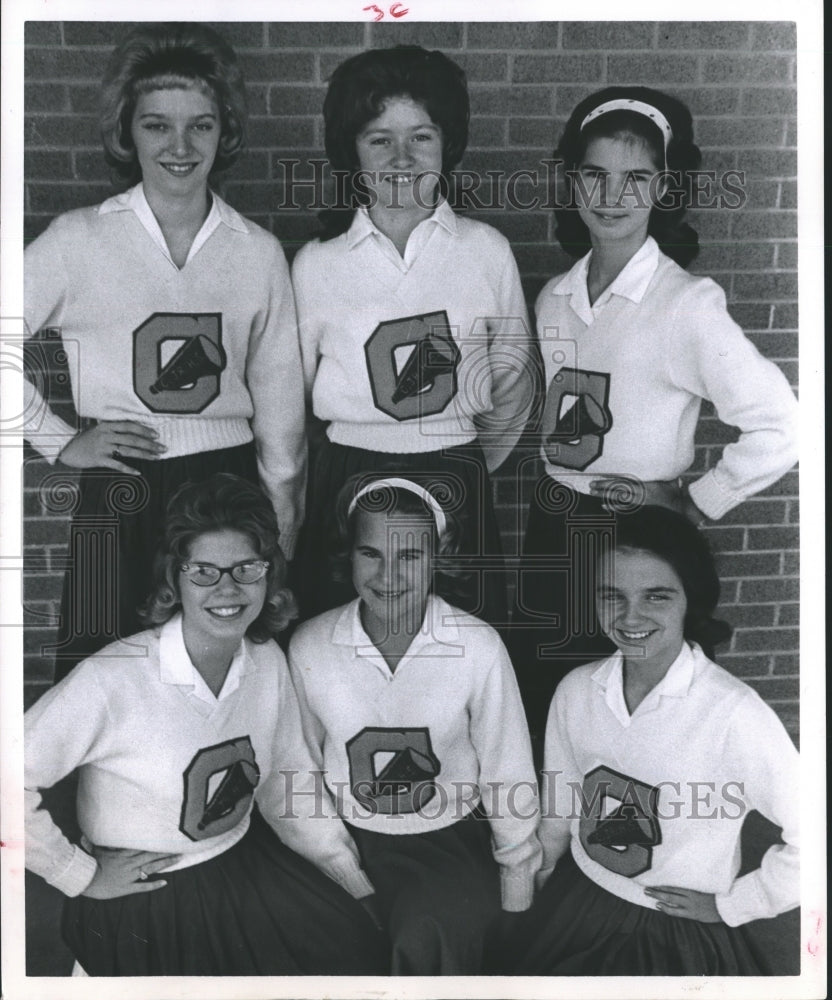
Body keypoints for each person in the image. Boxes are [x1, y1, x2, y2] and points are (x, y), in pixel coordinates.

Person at [510, 85, 799, 742]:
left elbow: (782, 423)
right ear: (572, 181)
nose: (613, 197)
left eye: (636, 178)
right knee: (552, 695)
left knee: (632, 699)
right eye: (596, 175)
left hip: (636, 533)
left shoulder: (685, 303)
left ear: (664, 188)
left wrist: (698, 501)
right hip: (555, 526)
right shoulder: (555, 296)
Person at [24, 23, 306, 679]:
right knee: (103, 668)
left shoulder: (257, 251)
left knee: (222, 671)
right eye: (157, 126)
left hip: (227, 484)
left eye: (200, 126)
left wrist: (279, 529)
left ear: (223, 130)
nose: (180, 147)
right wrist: (59, 440)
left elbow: (282, 411)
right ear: (128, 131)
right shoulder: (78, 241)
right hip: (121, 487)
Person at [24, 473, 386, 976]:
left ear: (269, 577)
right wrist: (78, 873)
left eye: (246, 569)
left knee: (351, 948)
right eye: (204, 572)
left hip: (239, 862)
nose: (227, 589)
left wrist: (348, 879)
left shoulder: (265, 660)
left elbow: (286, 783)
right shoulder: (112, 677)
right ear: (175, 579)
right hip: (146, 895)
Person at [291, 45, 536, 628]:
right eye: (380, 139)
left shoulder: (485, 251)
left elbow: (513, 384)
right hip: (347, 474)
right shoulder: (316, 264)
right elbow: (293, 399)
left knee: (459, 645)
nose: (402, 157)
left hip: (455, 471)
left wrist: (464, 459)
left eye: (421, 137)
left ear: (446, 143)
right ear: (351, 149)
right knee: (342, 643)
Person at [505, 505, 799, 975]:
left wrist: (735, 905)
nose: (630, 615)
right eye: (611, 595)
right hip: (581, 896)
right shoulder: (577, 689)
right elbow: (559, 807)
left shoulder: (733, 713)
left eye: (656, 596)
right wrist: (536, 880)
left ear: (691, 599)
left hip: (673, 928)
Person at [288, 476, 541, 974]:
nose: (389, 575)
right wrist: (342, 869)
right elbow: (298, 772)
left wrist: (517, 885)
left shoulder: (477, 645)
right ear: (350, 553)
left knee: (432, 930)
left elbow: (507, 770)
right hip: (344, 835)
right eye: (372, 554)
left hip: (446, 837)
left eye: (409, 556)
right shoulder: (311, 644)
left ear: (438, 556)